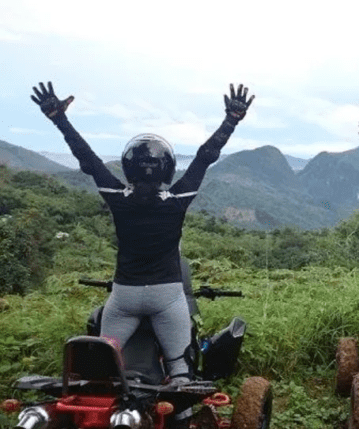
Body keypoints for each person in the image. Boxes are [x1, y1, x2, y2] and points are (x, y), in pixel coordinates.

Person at [31, 81, 254, 384]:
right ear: (168, 169)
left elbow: (86, 157)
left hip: (124, 297)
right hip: (167, 296)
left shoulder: (117, 197)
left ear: (128, 167)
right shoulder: (177, 201)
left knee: (100, 368)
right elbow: (205, 156)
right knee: (180, 370)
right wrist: (231, 120)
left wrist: (59, 118)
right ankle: (179, 420)